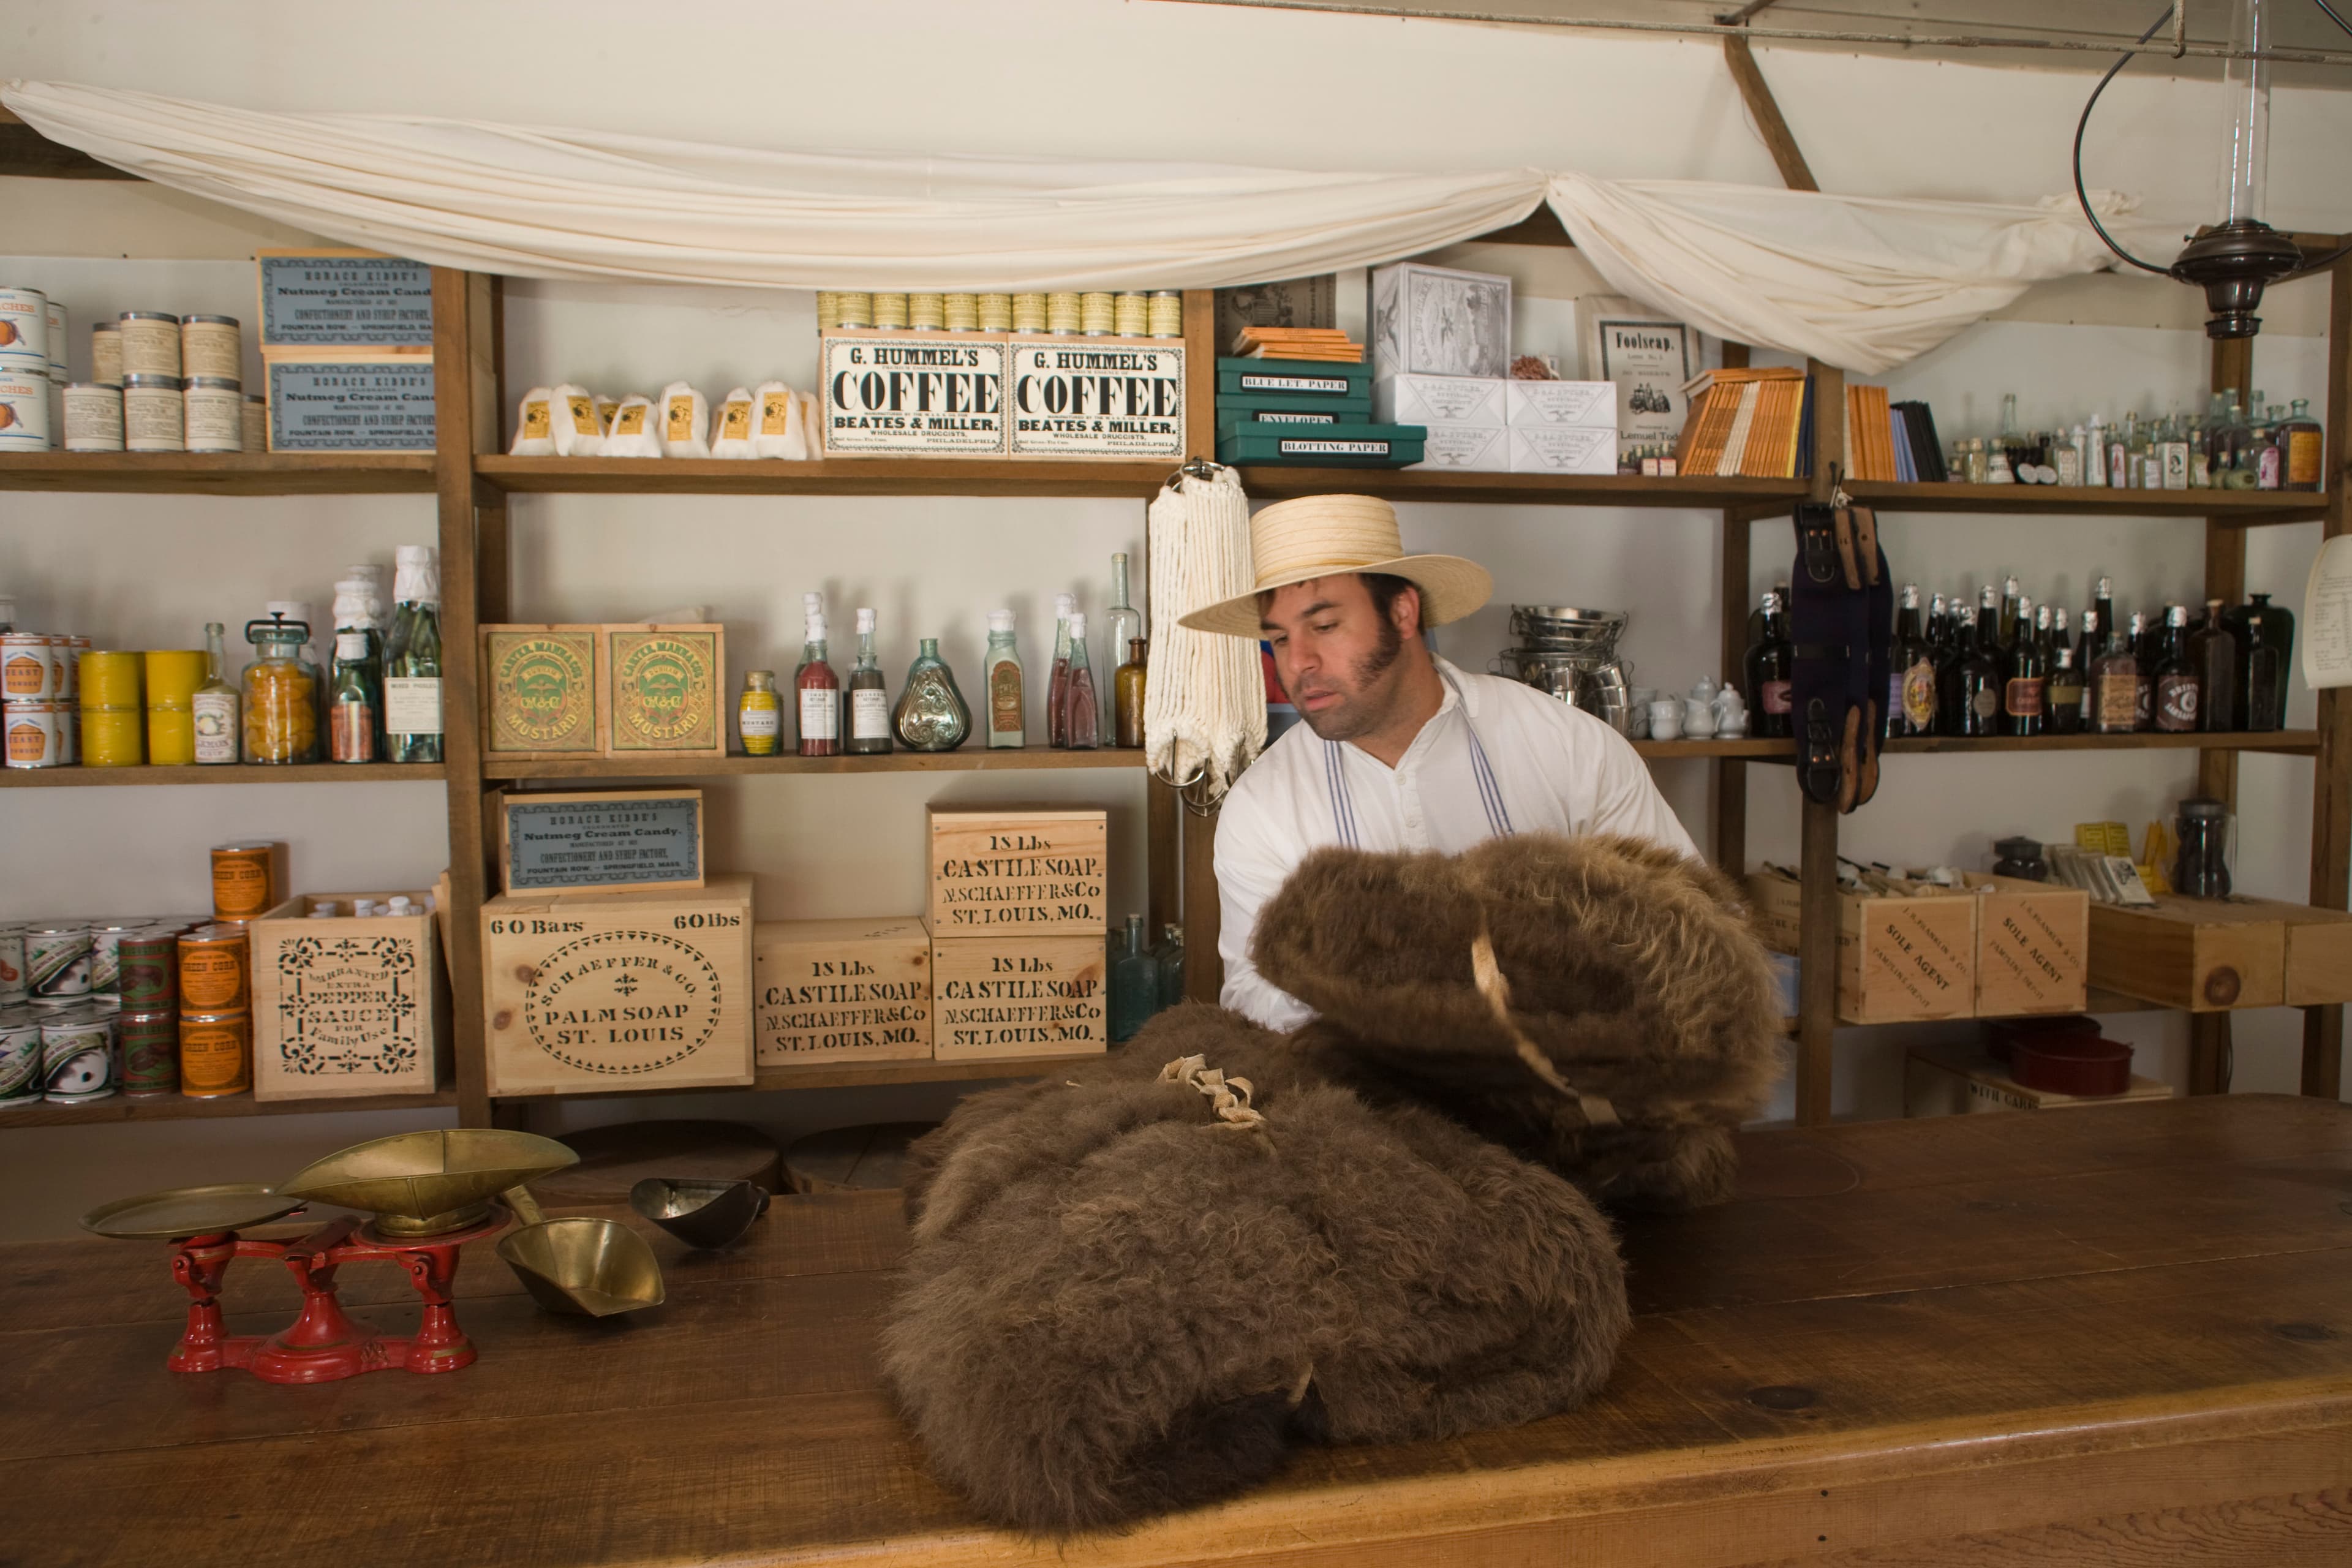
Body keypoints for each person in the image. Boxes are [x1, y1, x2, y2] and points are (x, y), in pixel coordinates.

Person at [1178, 493, 1698, 1030]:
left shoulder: (1569, 749)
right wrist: (1385, 1011)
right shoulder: (1262, 806)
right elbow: (1252, 992)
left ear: (1403, 613)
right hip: (1363, 1105)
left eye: (1325, 626)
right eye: (1280, 638)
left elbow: (1689, 927)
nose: (1299, 662)